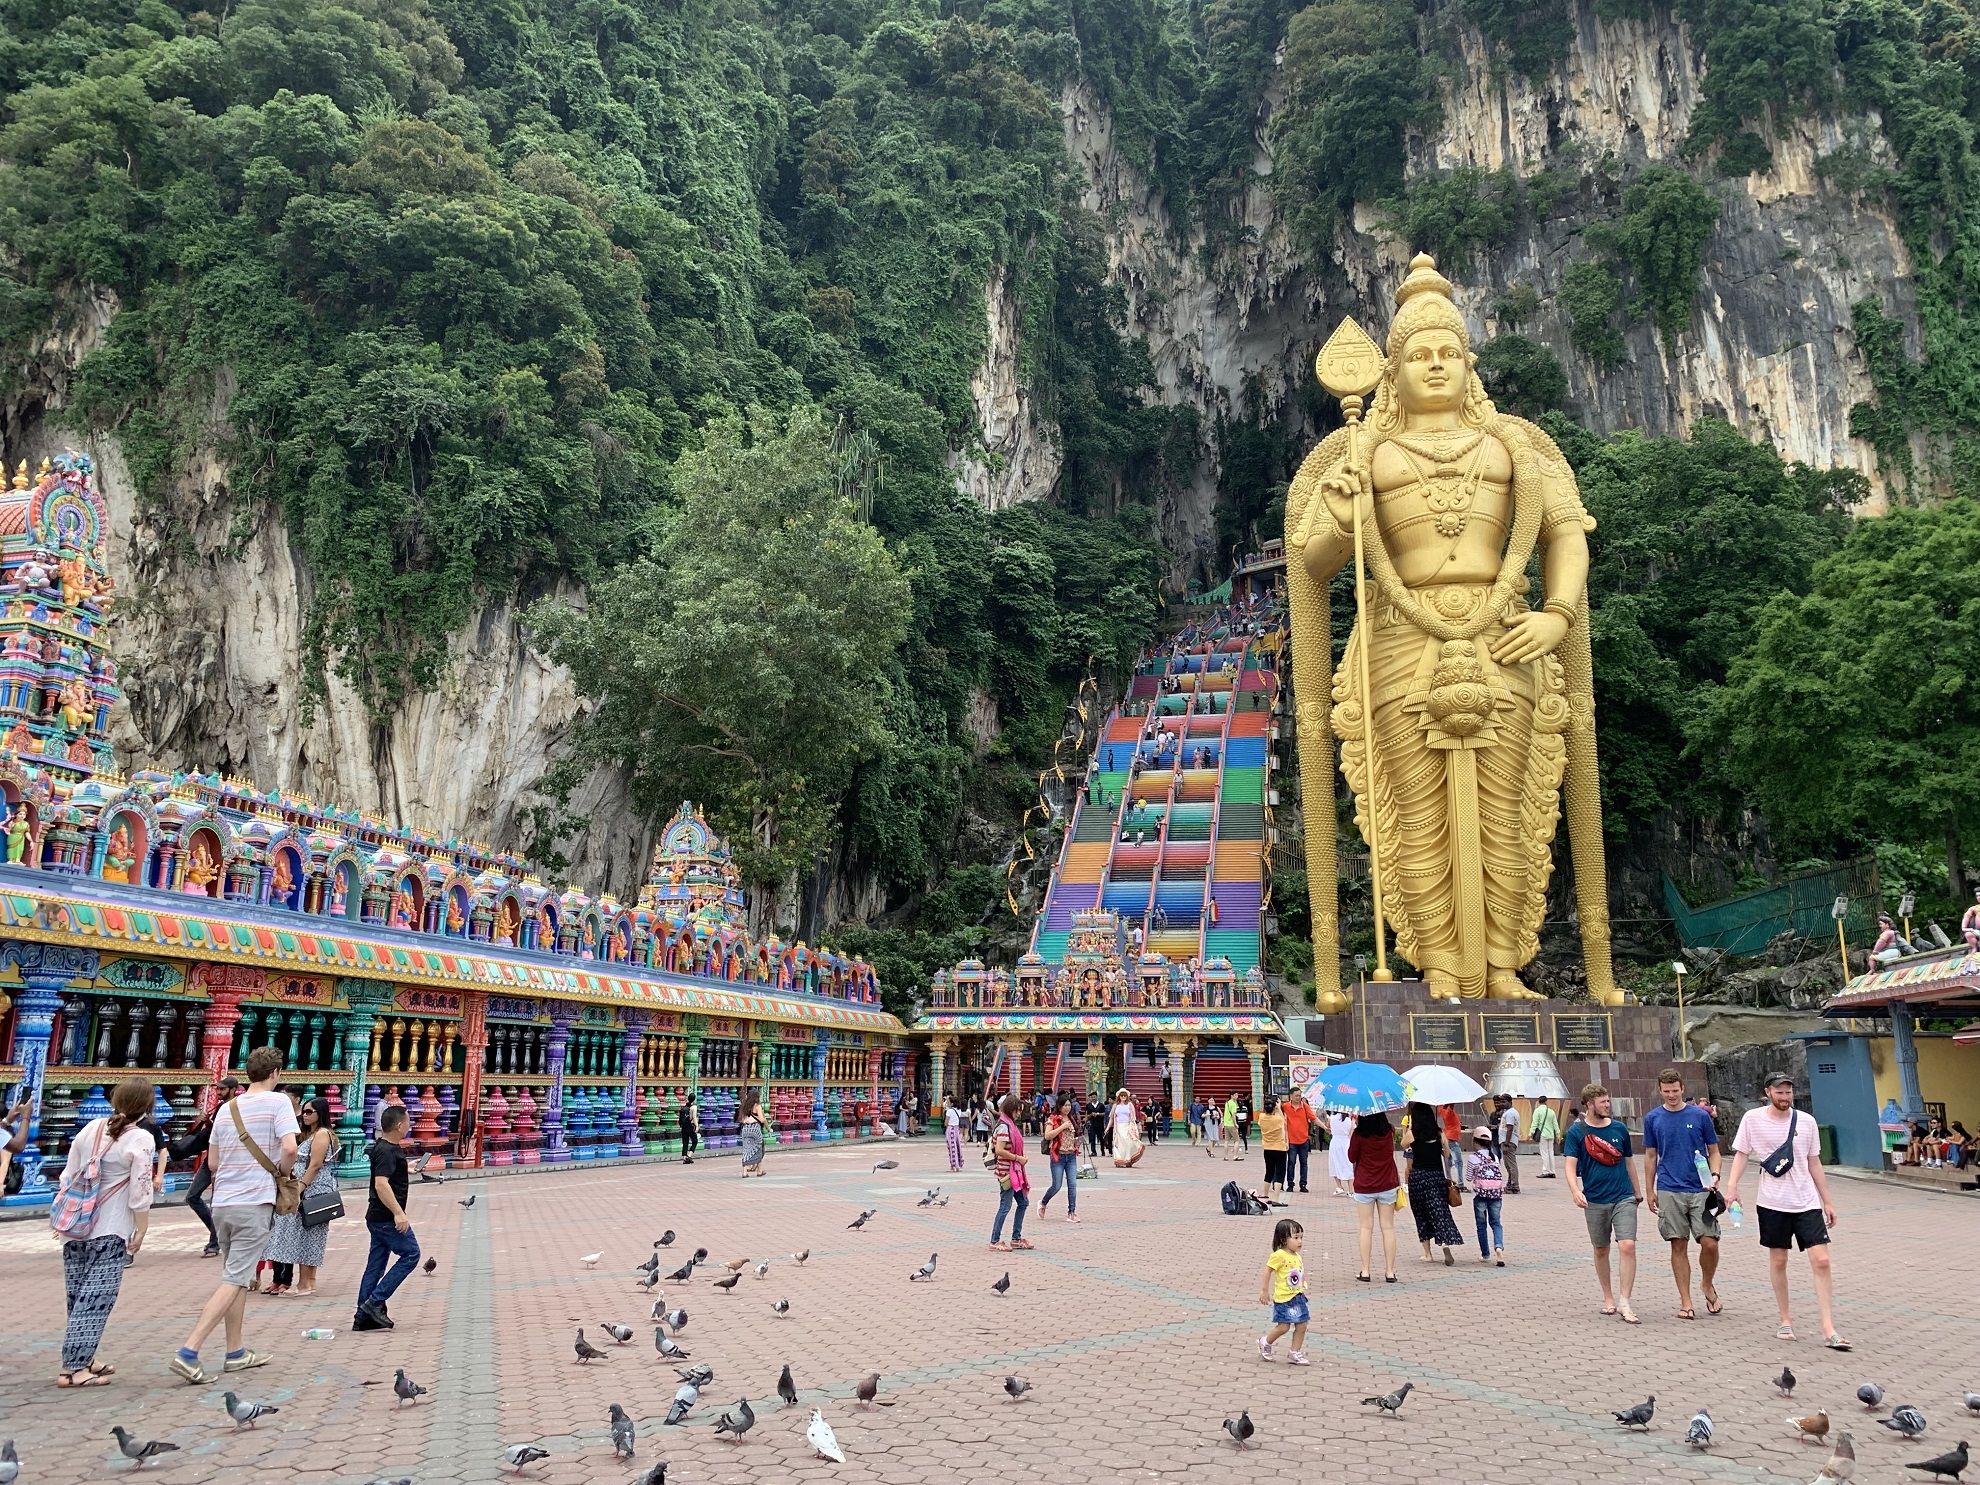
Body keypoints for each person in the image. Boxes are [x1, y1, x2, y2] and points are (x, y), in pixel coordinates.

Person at [170, 1046, 297, 1383]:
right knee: (233, 1279)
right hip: (253, 1202)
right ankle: (189, 1350)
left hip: (222, 1202)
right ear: (275, 1073)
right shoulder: (279, 1102)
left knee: (236, 1276)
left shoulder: (228, 1109)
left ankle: (236, 1350)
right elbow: (289, 1147)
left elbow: (211, 1163)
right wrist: (282, 1174)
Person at [1727, 1071, 1848, 1349]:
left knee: (1822, 1261)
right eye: (1779, 1092)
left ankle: (1828, 1327)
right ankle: (1785, 1319)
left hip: (1806, 1202)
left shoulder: (1806, 1122)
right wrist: (1732, 1187)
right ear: (1767, 1092)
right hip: (1772, 1202)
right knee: (1779, 1260)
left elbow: (1814, 1162)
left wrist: (1827, 1201)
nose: (1785, 1097)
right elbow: (1742, 1154)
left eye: (1789, 1092)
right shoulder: (1753, 1119)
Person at [53, 1078, 155, 1387]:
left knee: (78, 1296)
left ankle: (84, 1356)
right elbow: (140, 1190)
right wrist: (142, 1228)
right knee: (97, 1299)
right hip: (110, 1227)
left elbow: (68, 1176)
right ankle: (73, 1369)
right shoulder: (140, 1139)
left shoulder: (90, 1129)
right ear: (147, 1107)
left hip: (76, 1226)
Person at [1641, 1068, 1722, 1320]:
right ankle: (1686, 1301)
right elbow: (1651, 1155)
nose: (1671, 1095)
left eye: (1675, 1090)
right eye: (1666, 1091)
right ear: (1660, 1090)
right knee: (1678, 1243)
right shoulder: (1653, 1118)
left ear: (1682, 1089)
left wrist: (1716, 1175)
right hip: (1669, 1187)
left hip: (1701, 1188)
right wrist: (1649, 1189)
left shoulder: (1699, 1116)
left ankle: (1707, 1283)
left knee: (1709, 1241)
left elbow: (1715, 1151)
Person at [1563, 1082, 1643, 1325]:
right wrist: (1575, 1190)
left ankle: (1625, 1301)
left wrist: (1638, 1193)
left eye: (1608, 1101)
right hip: (1595, 1198)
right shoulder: (1576, 1132)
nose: (1608, 1105)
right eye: (1603, 1102)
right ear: (1589, 1104)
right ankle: (1608, 1297)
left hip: (1623, 1196)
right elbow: (1570, 1165)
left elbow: (1629, 1162)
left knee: (1627, 1245)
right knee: (1601, 1249)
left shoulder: (1619, 1129)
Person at [264, 1095, 339, 1298]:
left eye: (309, 1112)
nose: (304, 1116)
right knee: (311, 1236)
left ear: (319, 1114)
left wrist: (300, 1187)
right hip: (313, 1189)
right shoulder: (313, 1134)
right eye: (304, 1111)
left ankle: (304, 1283)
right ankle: (309, 1282)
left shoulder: (322, 1135)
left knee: (307, 1236)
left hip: (313, 1190)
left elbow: (315, 1165)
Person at [353, 1102, 419, 1331]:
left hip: (377, 1216)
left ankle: (363, 1315)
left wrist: (404, 1168)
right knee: (411, 1254)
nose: (409, 1126)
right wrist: (398, 1213)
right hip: (386, 1217)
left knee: (376, 1263)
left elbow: (386, 1174)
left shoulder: (383, 1147)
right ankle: (375, 1302)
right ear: (400, 1126)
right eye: (408, 1122)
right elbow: (381, 1185)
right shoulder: (387, 1151)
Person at [167, 1075, 239, 1257]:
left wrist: (210, 1124)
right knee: (192, 1197)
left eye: (222, 1089)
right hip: (212, 1159)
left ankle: (215, 1243)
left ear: (232, 1089)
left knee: (216, 1202)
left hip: (226, 1159)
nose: (219, 1092)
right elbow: (214, 1132)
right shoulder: (221, 1108)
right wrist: (207, 1122)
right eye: (218, 1089)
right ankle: (218, 1237)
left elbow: (227, 1133)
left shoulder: (235, 1108)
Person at [1403, 1102, 1462, 1264]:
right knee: (1439, 1210)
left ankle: (1428, 1254)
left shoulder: (1412, 1133)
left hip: (1419, 1178)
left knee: (1421, 1213)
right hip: (1436, 1176)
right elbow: (1447, 1154)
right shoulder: (1439, 1133)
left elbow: (1404, 1145)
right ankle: (1444, 1243)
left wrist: (1409, 1129)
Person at [1347, 1111, 1401, 1283]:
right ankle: (1390, 1272)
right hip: (1387, 1183)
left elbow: (1351, 1157)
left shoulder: (1359, 1135)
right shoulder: (1390, 1131)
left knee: (1365, 1227)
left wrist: (1351, 1135)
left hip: (1365, 1184)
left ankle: (1365, 1271)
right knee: (1388, 1228)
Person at [1257, 1217, 1310, 1364]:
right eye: (1295, 1237)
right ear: (1284, 1239)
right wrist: (1264, 1290)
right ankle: (1265, 1342)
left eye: (1301, 1237)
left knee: (1302, 1324)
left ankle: (1295, 1352)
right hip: (1284, 1299)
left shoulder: (1297, 1256)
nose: (1300, 1241)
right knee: (1283, 1327)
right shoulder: (1279, 1255)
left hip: (1298, 1296)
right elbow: (1268, 1271)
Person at [988, 1094, 1031, 1253]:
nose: (1019, 1114)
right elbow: (999, 1150)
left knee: (1023, 1203)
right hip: (1008, 1172)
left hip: (1015, 1170)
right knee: (1005, 1206)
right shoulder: (1004, 1127)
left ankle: (1016, 1238)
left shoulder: (1008, 1124)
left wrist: (1019, 1158)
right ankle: (995, 1240)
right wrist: (1017, 1158)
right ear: (1010, 1109)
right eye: (1017, 1111)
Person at [1037, 1094, 1081, 1223]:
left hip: (1071, 1156)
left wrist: (1077, 1142)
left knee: (1072, 1184)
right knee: (1056, 1185)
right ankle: (1043, 1202)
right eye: (1065, 1105)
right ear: (1059, 1106)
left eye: (1069, 1105)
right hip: (1058, 1156)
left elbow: (1074, 1135)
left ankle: (1071, 1212)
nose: (1067, 1108)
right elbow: (1048, 1135)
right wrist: (1062, 1126)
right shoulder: (1053, 1118)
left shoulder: (1072, 1119)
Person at [1466, 1126, 1506, 1265]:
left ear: (1475, 1141)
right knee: (1496, 1223)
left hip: (1480, 1195)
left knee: (1481, 1225)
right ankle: (1499, 1247)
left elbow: (1469, 1177)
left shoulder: (1473, 1158)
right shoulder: (1495, 1156)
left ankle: (1485, 1254)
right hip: (1496, 1194)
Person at [1284, 1089, 1313, 1194]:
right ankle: (1290, 1184)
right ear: (1291, 1096)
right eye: (1296, 1096)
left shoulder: (1305, 1106)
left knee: (1304, 1163)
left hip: (1303, 1140)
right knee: (1291, 1162)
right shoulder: (1286, 1107)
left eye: (1300, 1095)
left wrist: (1325, 1128)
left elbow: (1314, 1118)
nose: (1298, 1098)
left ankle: (1303, 1184)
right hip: (1292, 1141)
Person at [1258, 1096, 1288, 1196]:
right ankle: (1276, 1198)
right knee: (1280, 1172)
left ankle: (1265, 1194)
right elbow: (1284, 1123)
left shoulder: (1261, 1117)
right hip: (1279, 1148)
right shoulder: (1278, 1120)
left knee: (1269, 1171)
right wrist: (1279, 1108)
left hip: (1267, 1148)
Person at [1110, 1088, 1145, 1168]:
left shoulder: (1129, 1105)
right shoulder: (1115, 1105)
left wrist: (1133, 1127)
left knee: (1128, 1142)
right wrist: (1107, 1127)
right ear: (1119, 1096)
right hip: (1118, 1126)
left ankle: (1128, 1159)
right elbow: (1112, 1118)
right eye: (1121, 1095)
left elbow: (1133, 1117)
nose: (1123, 1097)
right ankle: (1120, 1159)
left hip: (1127, 1126)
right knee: (1119, 1143)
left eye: (1124, 1095)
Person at [1495, 1095, 1523, 1194]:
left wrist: (1506, 1144)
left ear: (1510, 1102)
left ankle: (1515, 1185)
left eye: (1504, 1101)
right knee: (1508, 1164)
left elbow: (1509, 1129)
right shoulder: (1508, 1112)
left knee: (1511, 1164)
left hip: (1509, 1142)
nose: (1502, 1103)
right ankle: (1510, 1184)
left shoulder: (1510, 1113)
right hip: (1507, 1141)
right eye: (1501, 1101)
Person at [1528, 1096, 1561, 1179]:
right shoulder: (1551, 1112)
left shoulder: (1537, 1111)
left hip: (1543, 1134)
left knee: (1544, 1153)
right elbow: (1555, 1124)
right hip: (1551, 1135)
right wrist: (1558, 1134)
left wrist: (1530, 1133)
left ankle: (1546, 1171)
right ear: (1546, 1102)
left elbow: (1534, 1123)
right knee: (1550, 1153)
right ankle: (1552, 1171)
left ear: (1539, 1102)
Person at [737, 1090, 766, 1177]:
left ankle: (744, 1172)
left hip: (745, 1129)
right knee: (759, 1148)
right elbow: (761, 1119)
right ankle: (759, 1171)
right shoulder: (757, 1106)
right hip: (755, 1129)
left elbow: (741, 1120)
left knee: (746, 1150)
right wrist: (767, 1125)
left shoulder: (744, 1106)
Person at [1328, 1109, 1355, 1195]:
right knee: (1348, 1165)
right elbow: (1352, 1131)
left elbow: (1328, 1128)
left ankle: (1339, 1186)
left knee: (1334, 1164)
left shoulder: (1332, 1118)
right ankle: (1351, 1190)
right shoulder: (1348, 1120)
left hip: (1335, 1142)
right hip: (1346, 1142)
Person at [1438, 1104, 1465, 1190]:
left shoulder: (1441, 1109)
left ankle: (1448, 1180)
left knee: (1448, 1162)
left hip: (1448, 1136)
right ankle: (1460, 1183)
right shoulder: (1447, 1111)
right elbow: (1451, 1105)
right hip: (1452, 1138)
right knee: (1458, 1162)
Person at [944, 1095, 965, 1172]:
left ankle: (954, 1165)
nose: (947, 1103)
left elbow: (946, 1123)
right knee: (957, 1147)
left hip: (951, 1129)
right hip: (956, 1129)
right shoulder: (958, 1110)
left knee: (952, 1147)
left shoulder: (949, 1111)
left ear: (952, 1103)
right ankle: (959, 1163)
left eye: (948, 1102)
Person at [677, 1093, 699, 1165]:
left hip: (684, 1127)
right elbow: (694, 1117)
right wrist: (697, 1126)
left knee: (685, 1142)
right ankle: (689, 1156)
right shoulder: (694, 1107)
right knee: (695, 1141)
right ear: (694, 1099)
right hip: (690, 1126)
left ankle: (684, 1158)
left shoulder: (684, 1107)